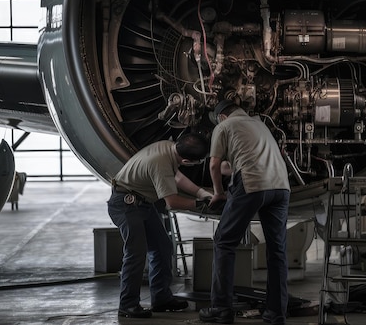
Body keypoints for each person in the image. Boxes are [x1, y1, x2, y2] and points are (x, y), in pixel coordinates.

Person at [199, 100, 291, 325]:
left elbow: (214, 165)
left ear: (221, 117)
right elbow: (237, 162)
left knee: (224, 241)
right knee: (277, 250)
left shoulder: (224, 126)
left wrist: (219, 193)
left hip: (252, 184)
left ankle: (221, 308)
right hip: (281, 186)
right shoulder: (260, 125)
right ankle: (276, 313)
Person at [108, 132, 214, 319]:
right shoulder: (161, 164)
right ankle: (127, 305)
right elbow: (172, 203)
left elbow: (177, 177)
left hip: (142, 203)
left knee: (162, 247)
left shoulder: (167, 146)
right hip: (126, 204)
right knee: (136, 254)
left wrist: (201, 193)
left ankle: (161, 298)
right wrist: (199, 204)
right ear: (188, 161)